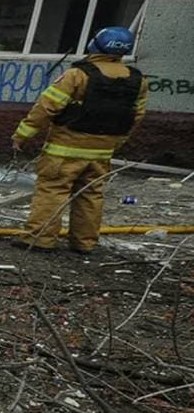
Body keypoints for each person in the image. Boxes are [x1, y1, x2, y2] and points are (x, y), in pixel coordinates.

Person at [12, 26, 148, 254]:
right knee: (91, 195)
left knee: (52, 191)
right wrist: (117, 142)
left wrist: (22, 134)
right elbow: (136, 116)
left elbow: (46, 107)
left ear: (96, 44)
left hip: (64, 149)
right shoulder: (137, 80)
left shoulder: (78, 75)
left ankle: (41, 238)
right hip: (102, 152)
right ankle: (84, 242)